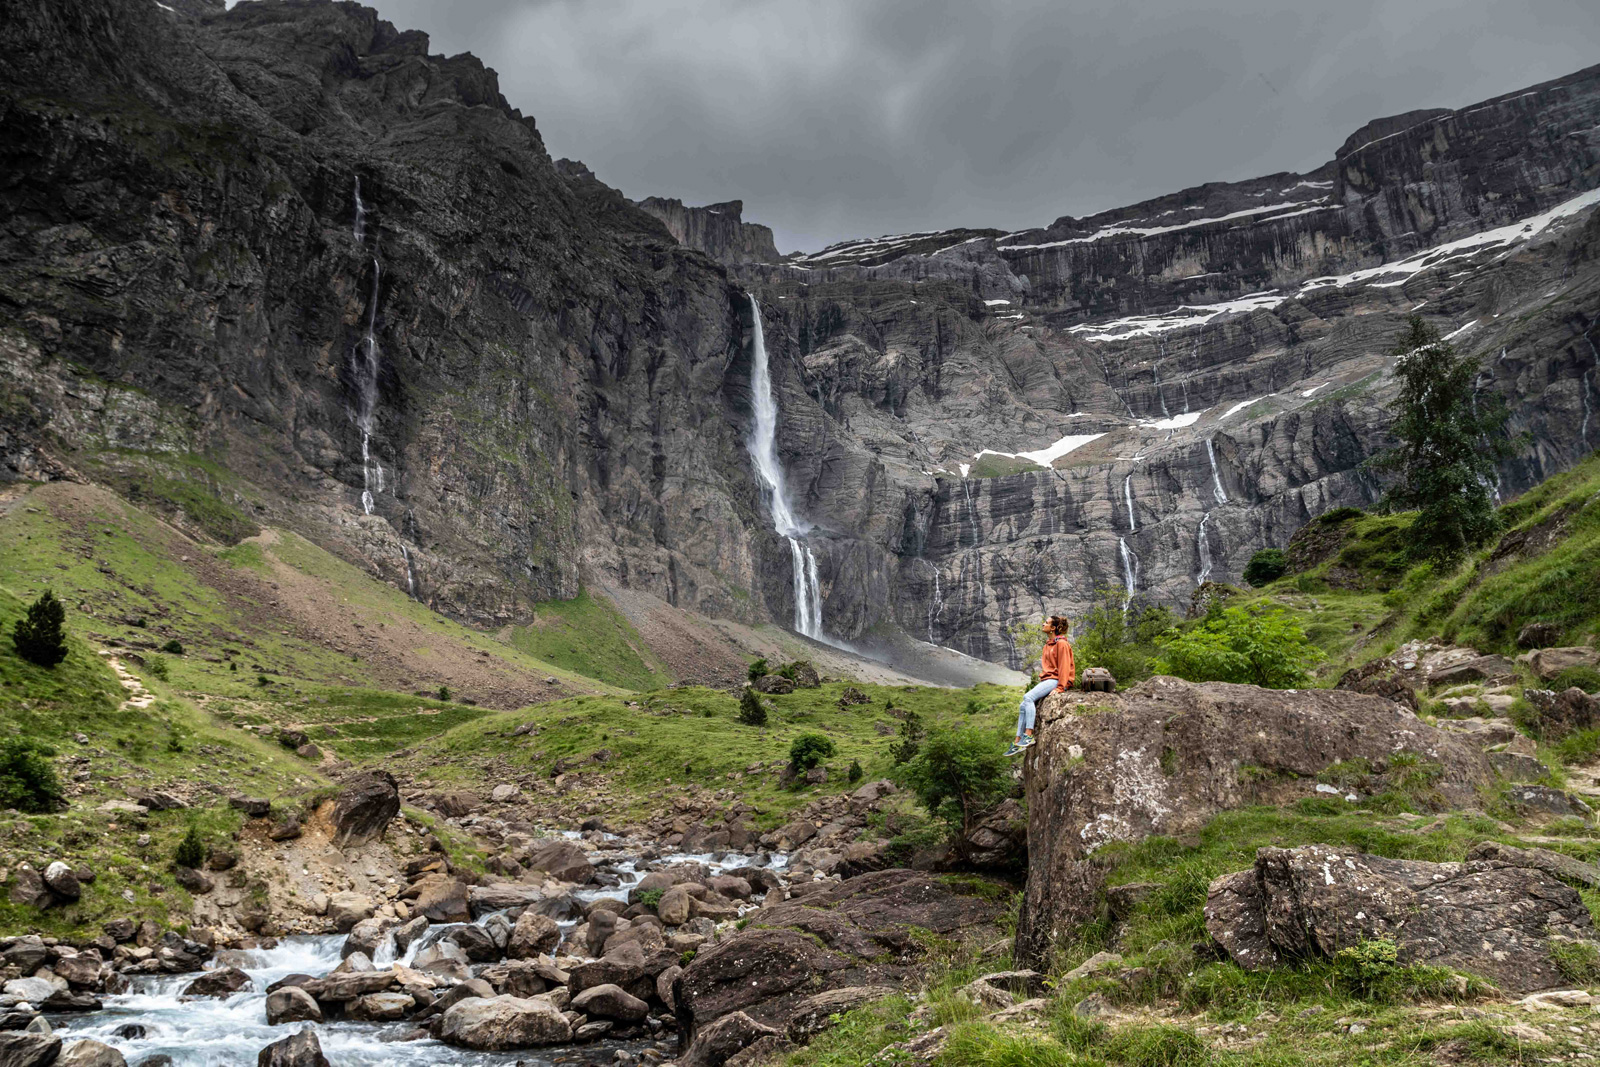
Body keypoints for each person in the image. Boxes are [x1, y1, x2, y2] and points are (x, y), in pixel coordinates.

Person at [1008, 614, 1074, 756]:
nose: (1043, 624)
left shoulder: (1061, 644)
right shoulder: (1047, 645)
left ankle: (1028, 735)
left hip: (1056, 680)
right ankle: (1017, 740)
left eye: (1047, 622)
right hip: (1048, 680)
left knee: (1028, 697)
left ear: (1053, 628)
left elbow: (1064, 667)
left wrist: (1061, 687)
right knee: (1022, 705)